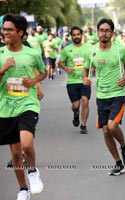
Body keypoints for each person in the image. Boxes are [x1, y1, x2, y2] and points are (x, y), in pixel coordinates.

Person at [0, 14, 47, 200]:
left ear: (20, 32)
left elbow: (43, 73)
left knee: (27, 144)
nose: (4, 32)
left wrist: (34, 81)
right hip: (6, 107)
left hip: (28, 104)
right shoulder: (1, 54)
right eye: (3, 29)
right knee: (16, 154)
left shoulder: (33, 54)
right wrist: (3, 69)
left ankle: (33, 172)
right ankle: (23, 189)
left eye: (9, 29)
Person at [83, 18, 125, 176]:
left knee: (112, 126)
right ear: (97, 32)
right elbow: (85, 69)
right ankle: (118, 163)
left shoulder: (120, 49)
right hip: (101, 95)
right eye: (101, 30)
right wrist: (85, 78)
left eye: (107, 30)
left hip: (118, 94)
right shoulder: (91, 51)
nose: (104, 33)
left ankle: (124, 147)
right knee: (105, 131)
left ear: (112, 33)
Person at [58, 26, 92, 134]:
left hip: (85, 80)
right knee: (76, 105)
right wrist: (66, 68)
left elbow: (93, 61)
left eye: (78, 34)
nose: (76, 36)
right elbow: (60, 62)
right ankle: (76, 113)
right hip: (72, 81)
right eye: (74, 35)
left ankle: (83, 124)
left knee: (85, 101)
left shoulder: (88, 48)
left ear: (82, 35)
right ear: (72, 36)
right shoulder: (67, 49)